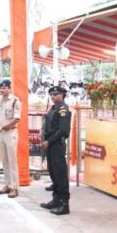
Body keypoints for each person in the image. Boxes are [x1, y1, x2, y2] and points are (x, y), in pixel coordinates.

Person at [40, 86, 72, 215]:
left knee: (60, 174)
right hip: (50, 143)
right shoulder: (54, 108)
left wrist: (49, 141)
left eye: (56, 94)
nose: (53, 96)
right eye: (51, 94)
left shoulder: (63, 109)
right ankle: (56, 199)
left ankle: (64, 204)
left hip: (56, 144)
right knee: (53, 172)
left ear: (63, 95)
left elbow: (63, 130)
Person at [0, 80, 22, 198]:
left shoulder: (15, 101)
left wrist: (6, 126)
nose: (2, 90)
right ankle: (7, 185)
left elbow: (17, 118)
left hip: (10, 132)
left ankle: (15, 188)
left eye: (5, 88)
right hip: (0, 133)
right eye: (1, 88)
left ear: (9, 89)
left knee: (12, 161)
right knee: (4, 160)